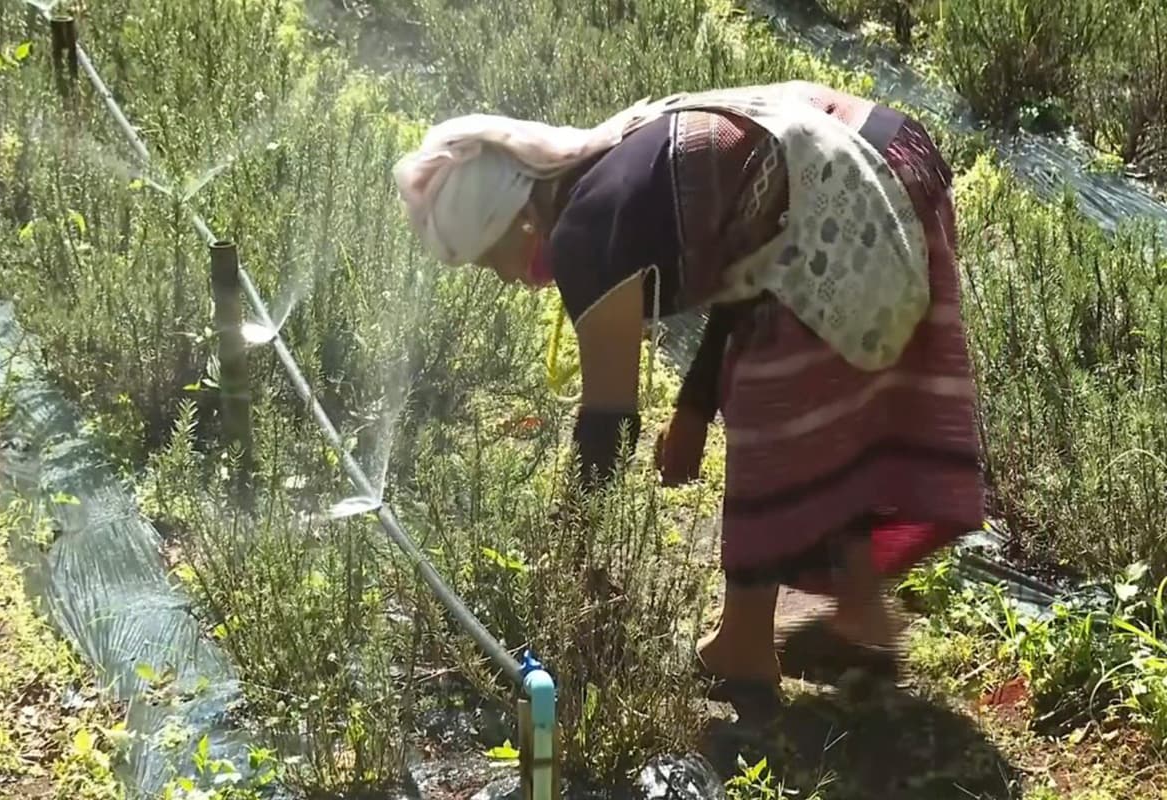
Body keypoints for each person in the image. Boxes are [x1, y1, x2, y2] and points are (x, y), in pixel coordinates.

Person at [392, 81, 984, 697]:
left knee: (771, 407)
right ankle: (862, 620)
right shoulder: (600, 165)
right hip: (888, 152)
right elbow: (749, 263)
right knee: (811, 395)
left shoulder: (585, 234)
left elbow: (610, 422)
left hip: (854, 187)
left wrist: (562, 561)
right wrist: (695, 406)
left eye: (492, 261)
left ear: (517, 222)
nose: (508, 280)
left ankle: (743, 648)